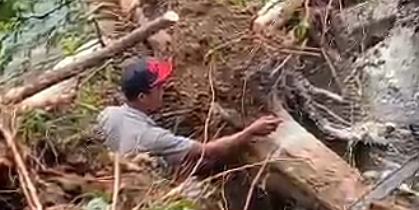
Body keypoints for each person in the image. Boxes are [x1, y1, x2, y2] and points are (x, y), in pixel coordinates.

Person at [97, 57, 281, 171]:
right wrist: (250, 132)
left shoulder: (106, 115)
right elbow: (207, 151)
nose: (164, 89)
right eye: (159, 87)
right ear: (142, 97)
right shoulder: (152, 137)